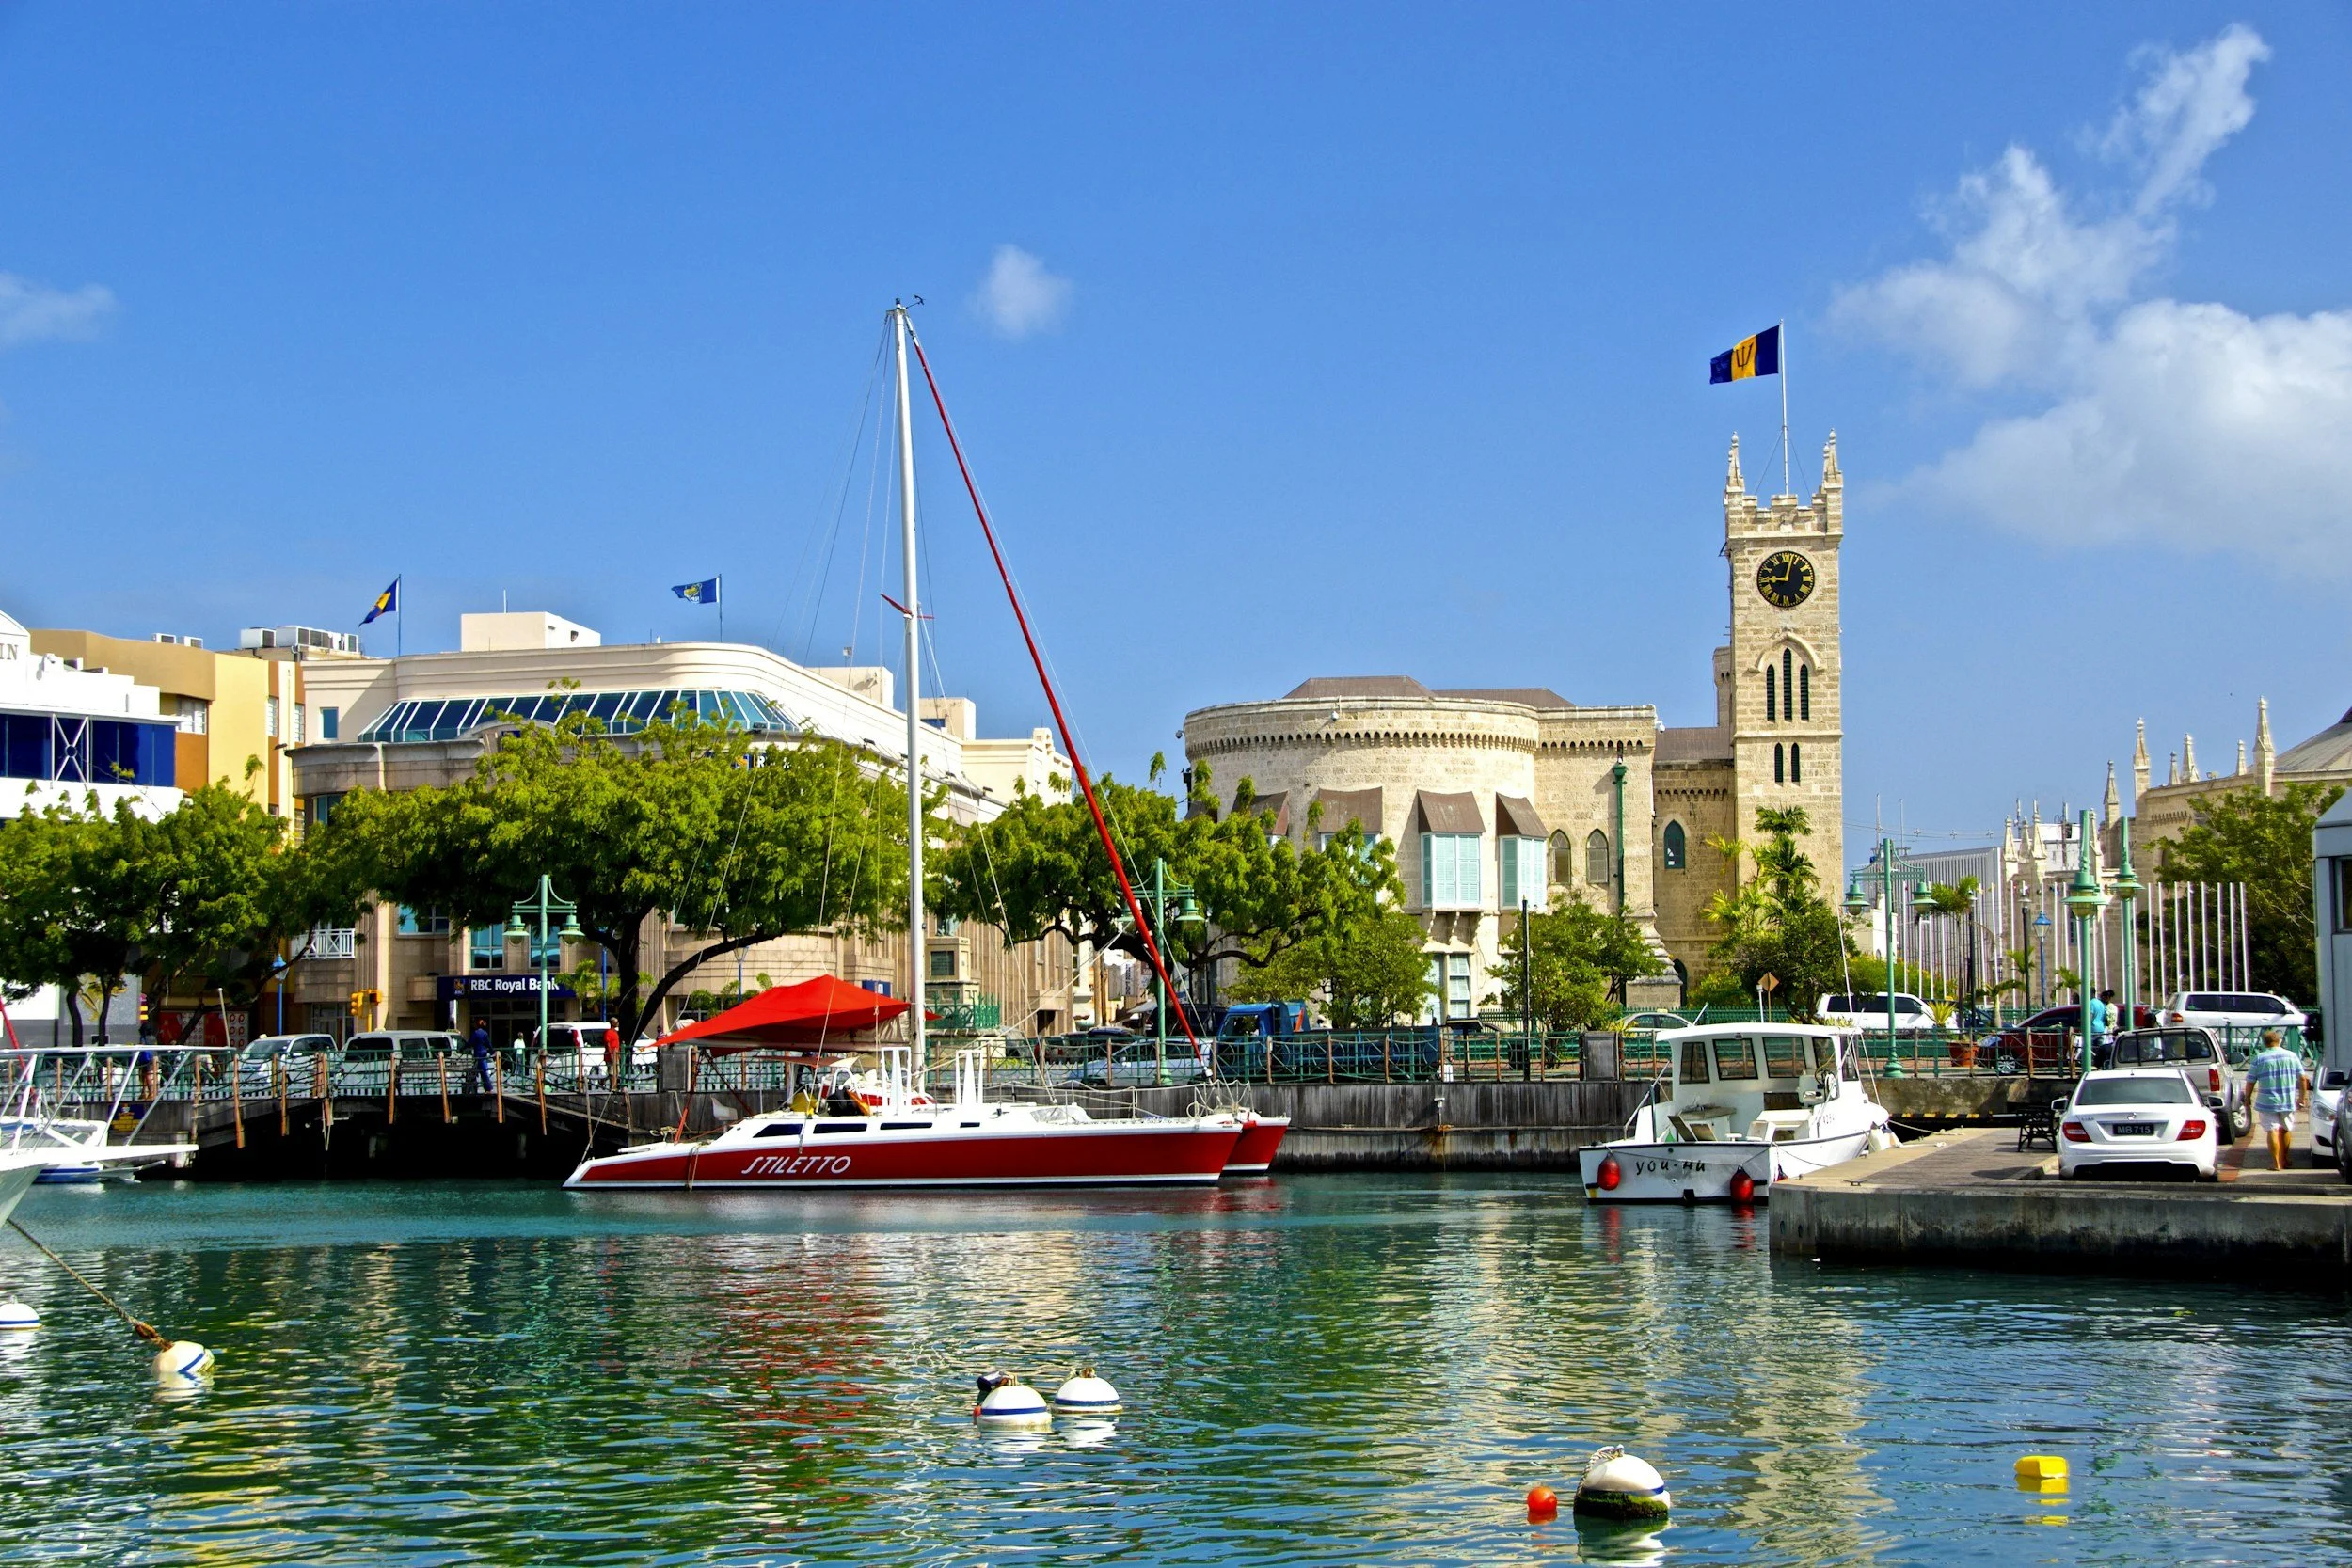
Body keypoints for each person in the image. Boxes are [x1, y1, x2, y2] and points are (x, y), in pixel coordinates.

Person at [2241, 1029, 2309, 1171]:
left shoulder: (2259, 1058)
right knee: (2285, 1129)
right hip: (2288, 1100)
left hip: (2267, 1101)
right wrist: (2303, 1097)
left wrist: (2247, 1098)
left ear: (2264, 1043)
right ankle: (2285, 1159)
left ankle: (2276, 1163)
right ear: (2279, 1041)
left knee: (2272, 1130)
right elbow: (2302, 1078)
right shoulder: (2292, 1056)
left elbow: (2250, 1081)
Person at [466, 1020, 494, 1094]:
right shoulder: (485, 1033)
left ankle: (472, 1089)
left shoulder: (476, 1033)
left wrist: (463, 1047)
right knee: (483, 1072)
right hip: (483, 1053)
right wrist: (492, 1051)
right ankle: (487, 1089)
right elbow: (488, 1043)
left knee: (476, 1072)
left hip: (478, 1054)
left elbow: (470, 1042)